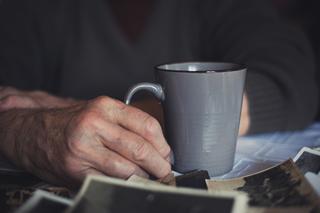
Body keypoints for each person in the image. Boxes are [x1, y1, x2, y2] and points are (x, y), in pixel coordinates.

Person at [0, 0, 317, 187]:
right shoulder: (37, 10)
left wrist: (74, 113)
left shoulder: (220, 7)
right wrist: (19, 127)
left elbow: (292, 81)